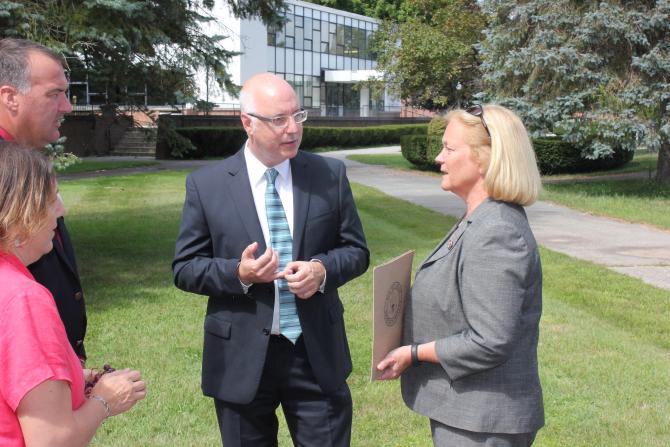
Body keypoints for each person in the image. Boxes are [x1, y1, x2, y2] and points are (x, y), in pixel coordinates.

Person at [173, 73, 369, 446]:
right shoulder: (208, 184)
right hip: (241, 358)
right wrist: (239, 273)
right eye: (279, 119)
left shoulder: (329, 175)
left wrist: (321, 270)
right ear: (247, 122)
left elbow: (357, 251)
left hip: (315, 355)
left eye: (298, 116)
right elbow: (185, 268)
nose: (293, 128)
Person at [377, 104, 544, 446]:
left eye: (450, 149)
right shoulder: (479, 218)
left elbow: (491, 340)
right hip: (470, 414)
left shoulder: (496, 230)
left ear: (486, 158)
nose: (439, 158)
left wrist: (414, 353)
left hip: (483, 421)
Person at [0, 143, 146, 447]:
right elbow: (51, 440)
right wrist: (105, 401)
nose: (61, 209)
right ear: (19, 217)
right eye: (52, 200)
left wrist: (75, 378)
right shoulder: (24, 299)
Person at [0, 37, 87, 362]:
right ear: (10, 97)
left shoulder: (25, 163)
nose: (66, 106)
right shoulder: (7, 173)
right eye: (54, 94)